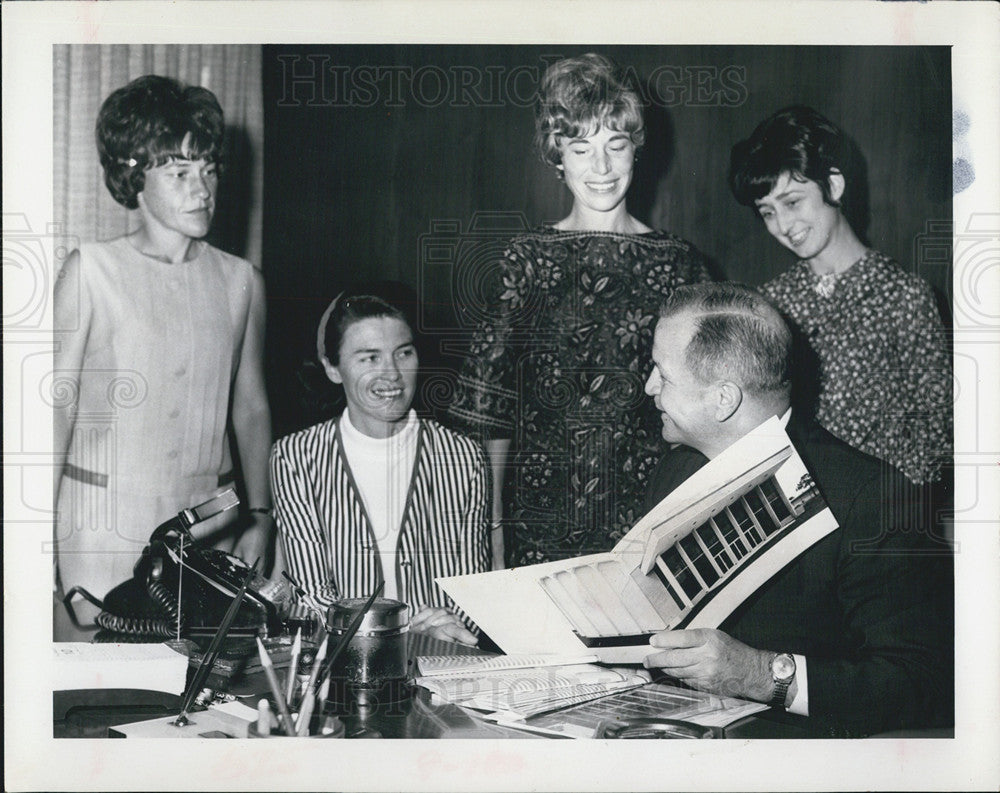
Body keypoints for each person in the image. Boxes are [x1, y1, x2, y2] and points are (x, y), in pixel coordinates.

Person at [641, 282, 953, 737]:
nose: (649, 387)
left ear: (723, 400)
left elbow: (927, 684)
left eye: (662, 375)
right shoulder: (675, 469)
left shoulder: (876, 497)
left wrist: (760, 675)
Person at [448, 53, 711, 569]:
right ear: (557, 157)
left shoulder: (680, 262)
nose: (602, 168)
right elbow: (488, 412)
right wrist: (493, 525)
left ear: (636, 150)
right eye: (581, 147)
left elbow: (708, 401)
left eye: (616, 144)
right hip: (540, 521)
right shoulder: (526, 260)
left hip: (655, 515)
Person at [53, 75, 273, 637]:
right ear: (134, 176)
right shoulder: (91, 271)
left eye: (209, 169)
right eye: (179, 173)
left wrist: (262, 516)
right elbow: (52, 411)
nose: (201, 189)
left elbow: (250, 406)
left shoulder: (241, 280)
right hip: (98, 532)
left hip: (205, 531)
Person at [728, 105, 952, 487]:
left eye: (793, 202)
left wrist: (881, 505)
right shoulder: (769, 305)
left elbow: (937, 435)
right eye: (767, 212)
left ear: (833, 185)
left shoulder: (905, 297)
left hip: (883, 516)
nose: (783, 225)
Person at [270, 292, 490, 646]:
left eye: (403, 352)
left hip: (443, 654)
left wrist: (440, 630)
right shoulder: (296, 457)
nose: (392, 374)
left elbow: (474, 590)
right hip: (343, 661)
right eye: (369, 357)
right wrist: (399, 633)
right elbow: (311, 596)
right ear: (332, 367)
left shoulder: (463, 455)